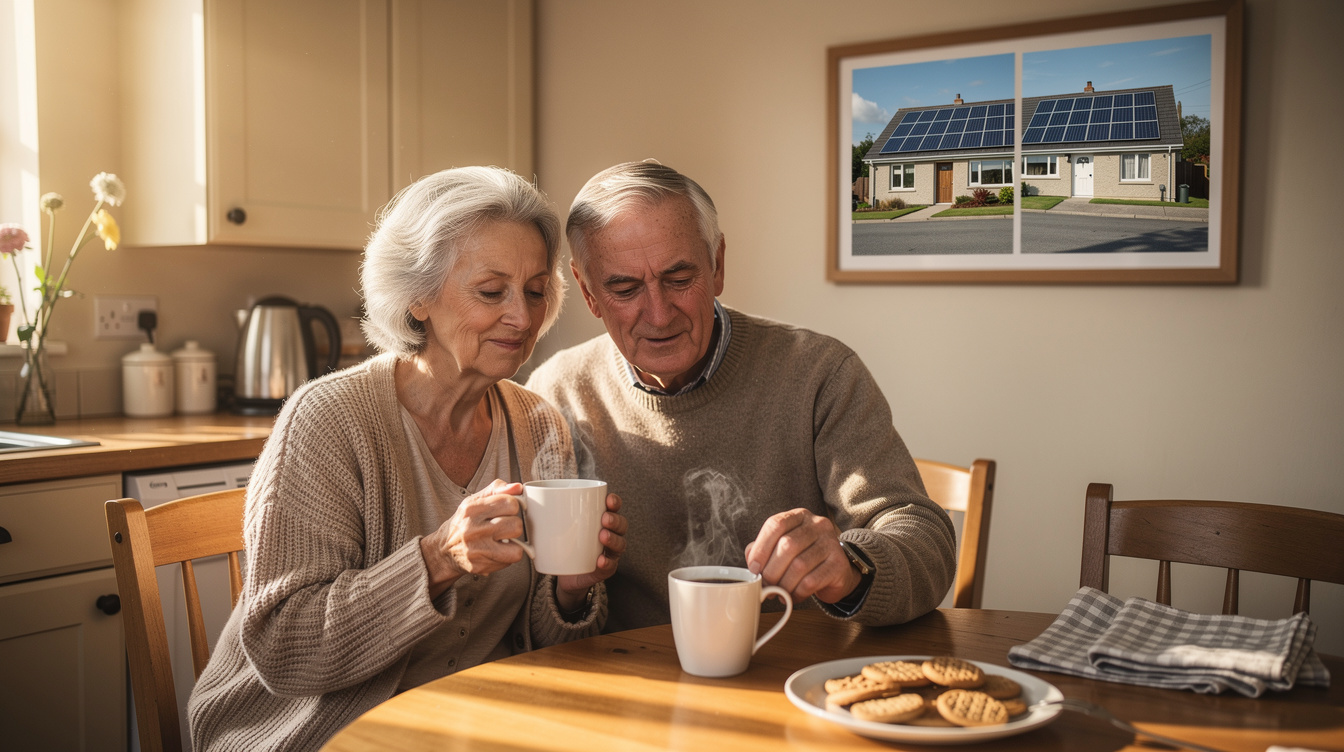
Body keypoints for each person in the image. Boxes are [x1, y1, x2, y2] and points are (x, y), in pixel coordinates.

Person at [189, 167, 627, 751]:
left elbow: (540, 642)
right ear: (417, 296)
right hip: (309, 735)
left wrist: (571, 589)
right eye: (491, 291)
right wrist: (439, 557)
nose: (522, 318)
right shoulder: (328, 421)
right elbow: (283, 648)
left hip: (465, 728)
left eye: (535, 290)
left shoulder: (538, 422)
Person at [527, 161, 954, 633]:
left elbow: (924, 541)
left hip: (789, 676)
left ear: (718, 265)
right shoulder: (554, 393)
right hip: (625, 686)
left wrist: (852, 566)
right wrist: (571, 593)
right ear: (588, 293)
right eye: (624, 288)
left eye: (679, 278)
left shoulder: (819, 374)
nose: (660, 313)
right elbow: (528, 625)